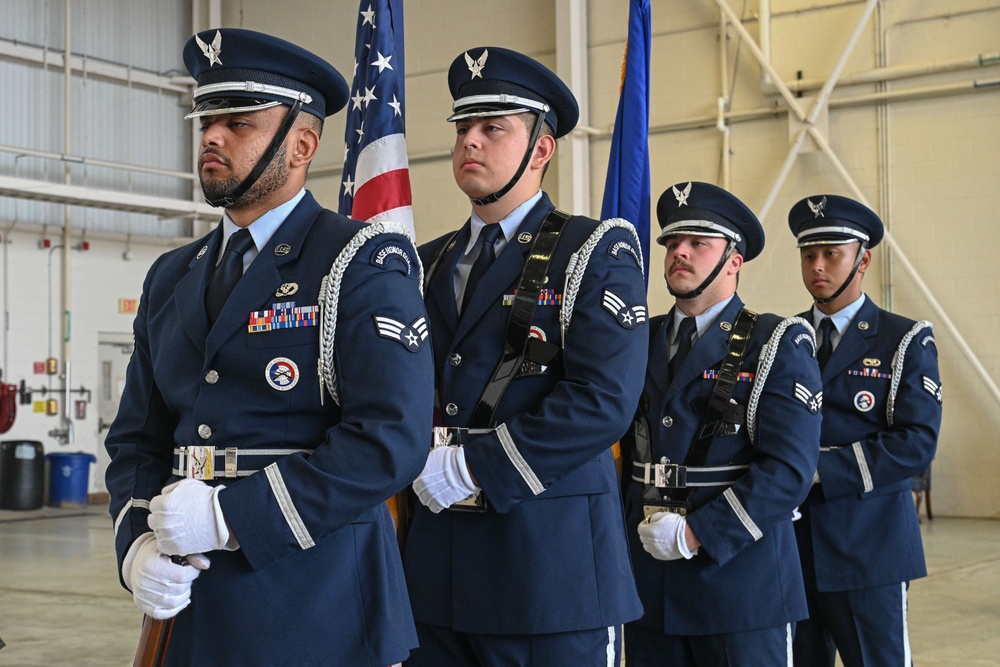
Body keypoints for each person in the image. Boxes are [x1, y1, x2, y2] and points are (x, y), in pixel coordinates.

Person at [104, 28, 433, 665]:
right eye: (206, 120)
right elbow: (138, 437)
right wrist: (134, 544)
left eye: (239, 123)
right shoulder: (171, 275)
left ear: (302, 144)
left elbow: (389, 438)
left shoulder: (358, 259)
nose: (211, 137)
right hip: (189, 605)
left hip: (317, 602)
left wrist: (233, 517)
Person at [402, 46, 648, 666]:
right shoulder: (424, 261)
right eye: (463, 128)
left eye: (493, 128)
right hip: (436, 566)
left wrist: (475, 467)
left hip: (545, 570)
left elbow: (603, 401)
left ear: (541, 149)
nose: (470, 143)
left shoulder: (593, 251)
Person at [621, 181, 823, 666]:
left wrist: (699, 533)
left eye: (698, 243)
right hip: (648, 581)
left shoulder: (775, 342)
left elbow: (788, 470)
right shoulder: (636, 340)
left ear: (734, 260)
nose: (679, 253)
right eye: (671, 243)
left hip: (737, 585)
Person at [788, 194, 942, 666]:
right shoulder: (782, 336)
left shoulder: (904, 338)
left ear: (862, 259)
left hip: (869, 546)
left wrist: (818, 468)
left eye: (831, 253)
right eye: (809, 255)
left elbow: (917, 441)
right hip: (791, 547)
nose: (818, 266)